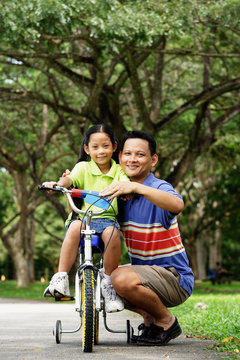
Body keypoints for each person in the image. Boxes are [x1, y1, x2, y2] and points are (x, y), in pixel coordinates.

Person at [100, 130, 194, 345]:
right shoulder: (119, 192)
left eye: (140, 155)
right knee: (100, 283)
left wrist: (136, 187)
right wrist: (65, 184)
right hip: (146, 277)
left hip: (174, 278)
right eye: (128, 154)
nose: (133, 159)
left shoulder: (157, 187)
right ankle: (151, 321)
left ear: (153, 160)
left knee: (120, 278)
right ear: (120, 156)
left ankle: (166, 322)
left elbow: (178, 204)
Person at [42, 124, 129, 312]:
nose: (101, 151)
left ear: (114, 147)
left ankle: (108, 284)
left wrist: (126, 189)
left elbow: (126, 185)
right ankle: (61, 278)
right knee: (74, 227)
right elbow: (69, 180)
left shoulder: (119, 171)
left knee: (113, 233)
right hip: (83, 218)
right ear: (87, 149)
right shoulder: (83, 168)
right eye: (95, 147)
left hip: (107, 219)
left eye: (105, 146)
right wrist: (58, 184)